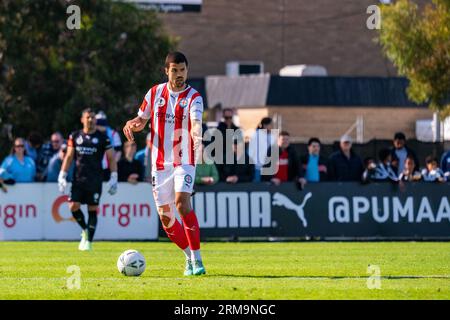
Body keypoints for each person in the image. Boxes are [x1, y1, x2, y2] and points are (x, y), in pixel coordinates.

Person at [122, 51, 206, 276]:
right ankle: (188, 257)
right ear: (166, 71)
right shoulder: (154, 93)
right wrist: (133, 124)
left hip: (184, 159)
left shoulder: (194, 97)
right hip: (160, 164)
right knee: (167, 221)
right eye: (175, 70)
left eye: (183, 70)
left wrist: (198, 139)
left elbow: (196, 122)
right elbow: (142, 120)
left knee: (181, 203)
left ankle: (198, 260)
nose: (180, 75)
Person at [58, 108, 118, 251]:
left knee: (92, 209)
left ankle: (89, 242)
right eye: (87, 117)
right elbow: (69, 156)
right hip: (78, 179)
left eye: (92, 117)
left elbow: (111, 157)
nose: (90, 120)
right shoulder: (75, 136)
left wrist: (114, 176)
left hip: (95, 180)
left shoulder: (103, 137)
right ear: (82, 119)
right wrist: (62, 174)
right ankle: (85, 230)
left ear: (95, 120)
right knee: (73, 206)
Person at [96, 111, 122, 181]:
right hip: (94, 167)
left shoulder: (113, 134)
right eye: (98, 122)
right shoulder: (92, 134)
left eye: (102, 123)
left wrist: (113, 164)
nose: (100, 126)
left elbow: (118, 151)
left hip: (109, 168)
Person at [248, 117, 276, 182]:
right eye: (271, 124)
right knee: (258, 185)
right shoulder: (256, 135)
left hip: (268, 167)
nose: (272, 126)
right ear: (265, 125)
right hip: (258, 167)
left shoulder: (272, 136)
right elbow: (251, 151)